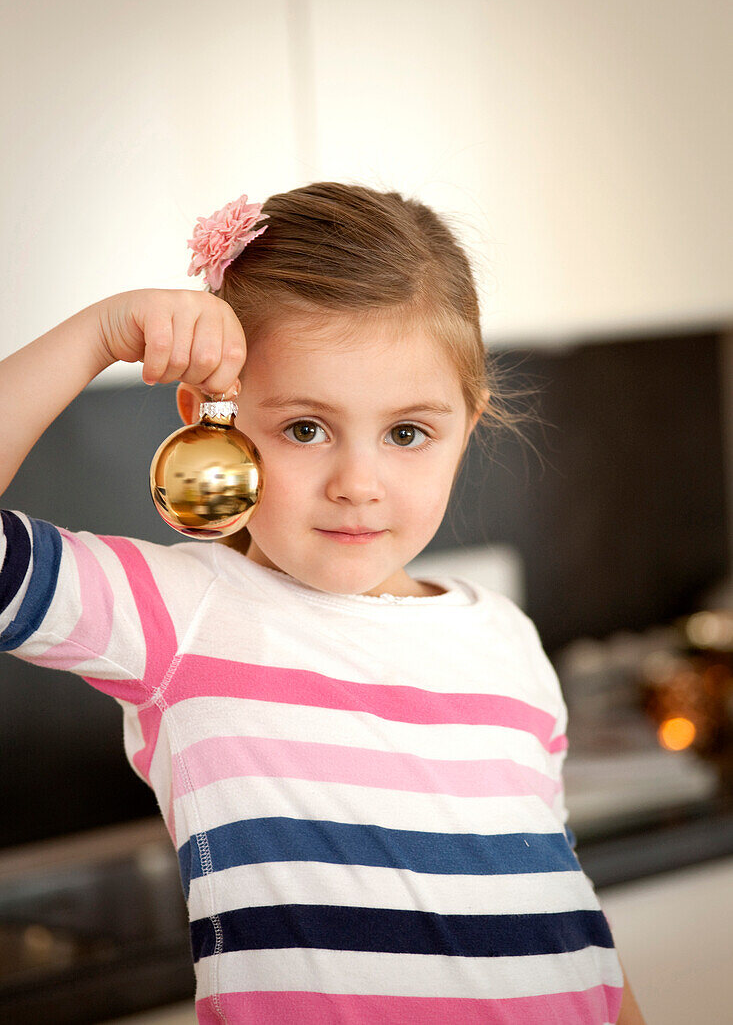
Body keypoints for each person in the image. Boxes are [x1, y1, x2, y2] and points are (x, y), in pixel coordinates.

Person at [0, 182, 646, 1023]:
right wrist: (99, 334)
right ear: (213, 418)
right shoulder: (182, 619)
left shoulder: (507, 642)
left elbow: (567, 918)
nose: (357, 485)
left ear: (467, 423)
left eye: (407, 432)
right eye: (306, 427)